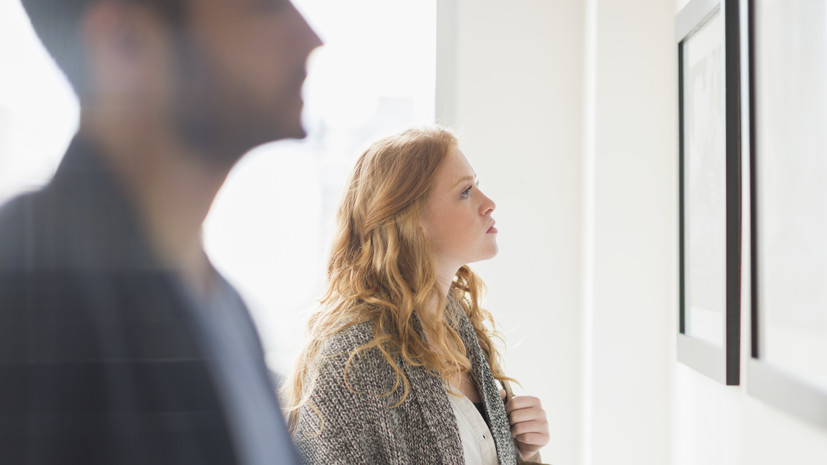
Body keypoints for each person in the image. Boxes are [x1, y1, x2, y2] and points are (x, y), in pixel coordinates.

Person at [0, 1, 321, 464]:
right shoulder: (29, 290)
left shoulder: (222, 306)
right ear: (124, 42)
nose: (311, 39)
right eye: (264, 7)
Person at [283, 127, 550, 465]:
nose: (489, 203)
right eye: (466, 191)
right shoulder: (350, 362)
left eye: (477, 185)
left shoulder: (463, 332)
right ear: (412, 219)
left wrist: (525, 453)